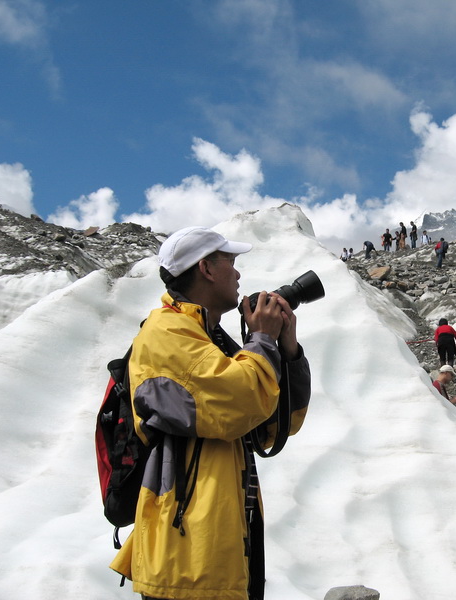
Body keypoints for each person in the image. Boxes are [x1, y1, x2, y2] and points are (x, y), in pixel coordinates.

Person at [109, 226, 312, 599]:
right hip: (186, 556)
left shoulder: (208, 338)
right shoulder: (166, 332)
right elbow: (239, 404)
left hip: (221, 542)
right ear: (205, 268)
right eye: (230, 263)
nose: (237, 274)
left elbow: (274, 426)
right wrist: (262, 340)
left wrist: (288, 350)